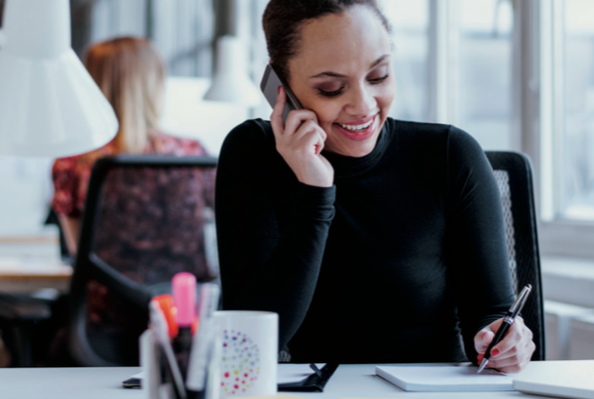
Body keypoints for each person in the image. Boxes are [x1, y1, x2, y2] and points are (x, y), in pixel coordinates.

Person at [215, 0, 536, 372]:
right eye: (332, 88)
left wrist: (505, 343)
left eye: (378, 76)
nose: (364, 105)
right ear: (280, 88)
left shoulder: (451, 156)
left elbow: (490, 319)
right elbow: (251, 347)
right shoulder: (252, 153)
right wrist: (315, 192)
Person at [51, 37, 208, 256]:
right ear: (156, 83)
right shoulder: (193, 154)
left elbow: (79, 252)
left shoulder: (72, 161)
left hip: (106, 290)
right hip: (182, 289)